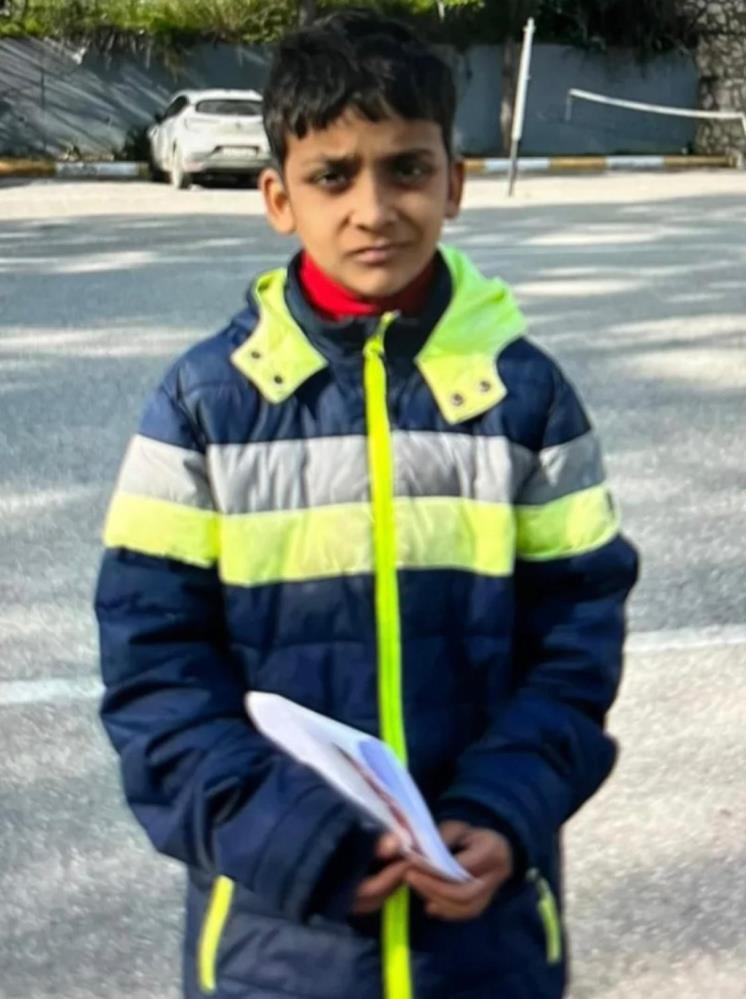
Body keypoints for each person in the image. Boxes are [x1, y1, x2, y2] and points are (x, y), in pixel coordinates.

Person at [95, 9, 638, 999]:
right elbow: (153, 669)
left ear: (454, 183)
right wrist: (288, 838)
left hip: (483, 939)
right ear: (278, 197)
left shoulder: (527, 400)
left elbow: (577, 639)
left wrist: (507, 803)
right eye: (332, 176)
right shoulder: (203, 406)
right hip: (274, 943)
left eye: (406, 169)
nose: (373, 208)